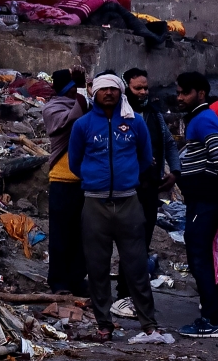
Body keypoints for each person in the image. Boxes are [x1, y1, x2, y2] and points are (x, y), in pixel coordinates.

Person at [67, 73, 169, 343]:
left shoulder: (134, 123)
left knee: (136, 266)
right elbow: (75, 162)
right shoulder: (83, 125)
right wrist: (95, 179)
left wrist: (126, 176)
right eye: (103, 89)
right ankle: (104, 324)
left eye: (114, 89)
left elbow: (145, 157)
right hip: (94, 203)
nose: (109, 93)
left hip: (128, 202)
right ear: (94, 93)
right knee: (97, 267)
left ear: (121, 93)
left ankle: (149, 323)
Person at [172, 70, 218, 337]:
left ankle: (211, 319)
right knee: (199, 257)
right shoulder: (198, 119)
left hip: (205, 201)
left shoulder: (204, 120)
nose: (180, 97)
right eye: (179, 92)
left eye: (185, 92)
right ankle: (209, 315)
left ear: (201, 93)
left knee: (199, 259)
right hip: (202, 199)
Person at [38, 69, 91, 298]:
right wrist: (81, 89)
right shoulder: (53, 108)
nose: (75, 89)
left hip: (87, 181)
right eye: (73, 85)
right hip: (62, 179)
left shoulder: (85, 103)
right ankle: (59, 281)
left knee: (83, 235)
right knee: (61, 233)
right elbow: (76, 118)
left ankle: (77, 279)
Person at [124, 67, 172, 194]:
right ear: (126, 88)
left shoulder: (154, 114)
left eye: (145, 88)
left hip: (151, 184)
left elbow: (169, 143)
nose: (143, 92)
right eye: (138, 88)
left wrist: (175, 171)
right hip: (126, 184)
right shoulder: (118, 115)